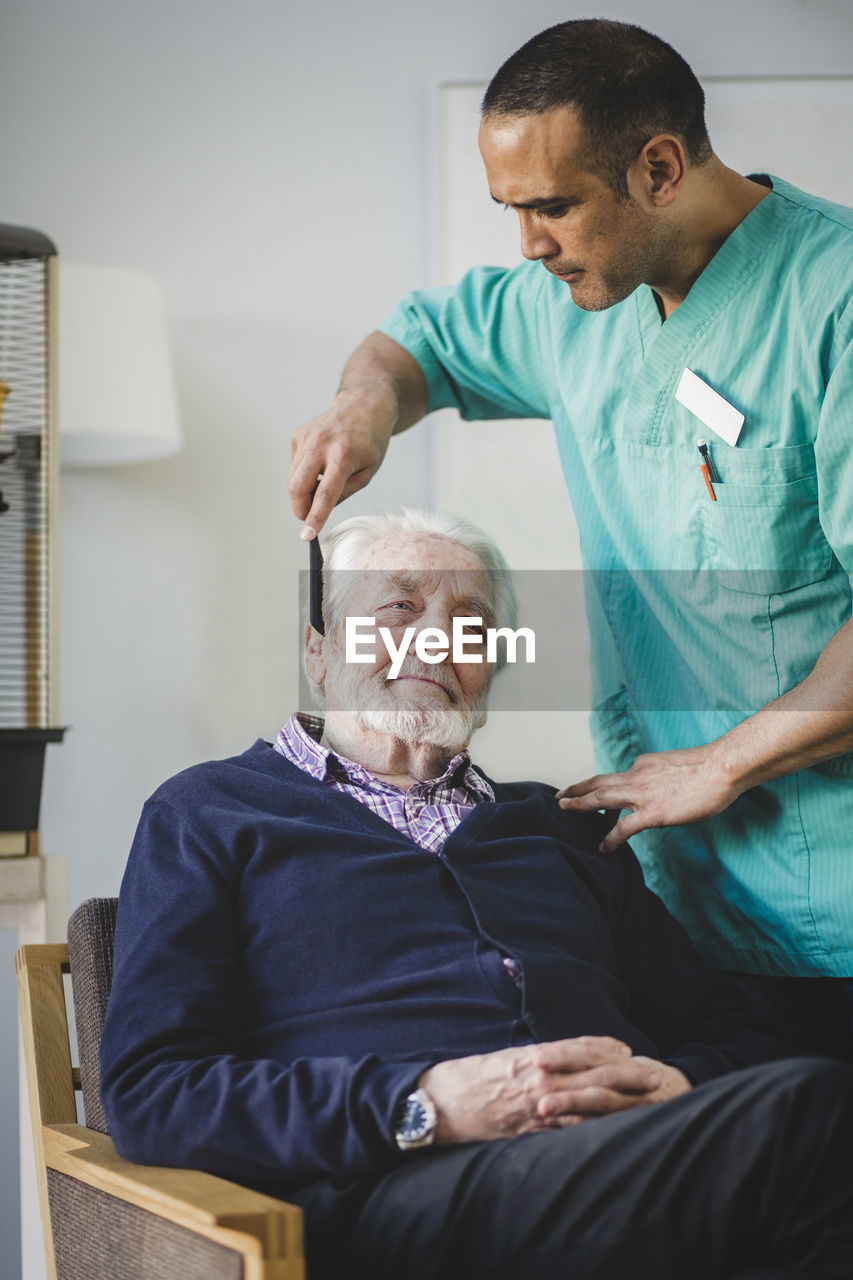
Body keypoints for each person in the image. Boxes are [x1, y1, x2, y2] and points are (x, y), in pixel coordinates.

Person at [101, 509, 853, 1280]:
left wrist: (681, 1083)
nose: (437, 639)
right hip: (386, 1201)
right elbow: (152, 1092)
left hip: (619, 1165)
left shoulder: (561, 828)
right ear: (318, 652)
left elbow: (741, 1031)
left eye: (471, 626)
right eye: (398, 607)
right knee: (814, 1114)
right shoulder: (210, 813)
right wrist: (427, 1104)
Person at [287, 19, 853, 1034]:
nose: (529, 245)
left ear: (660, 167)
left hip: (833, 906)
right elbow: (414, 342)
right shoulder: (575, 302)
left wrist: (720, 762)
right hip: (672, 901)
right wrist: (361, 407)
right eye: (511, 210)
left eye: (553, 207)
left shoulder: (835, 304)